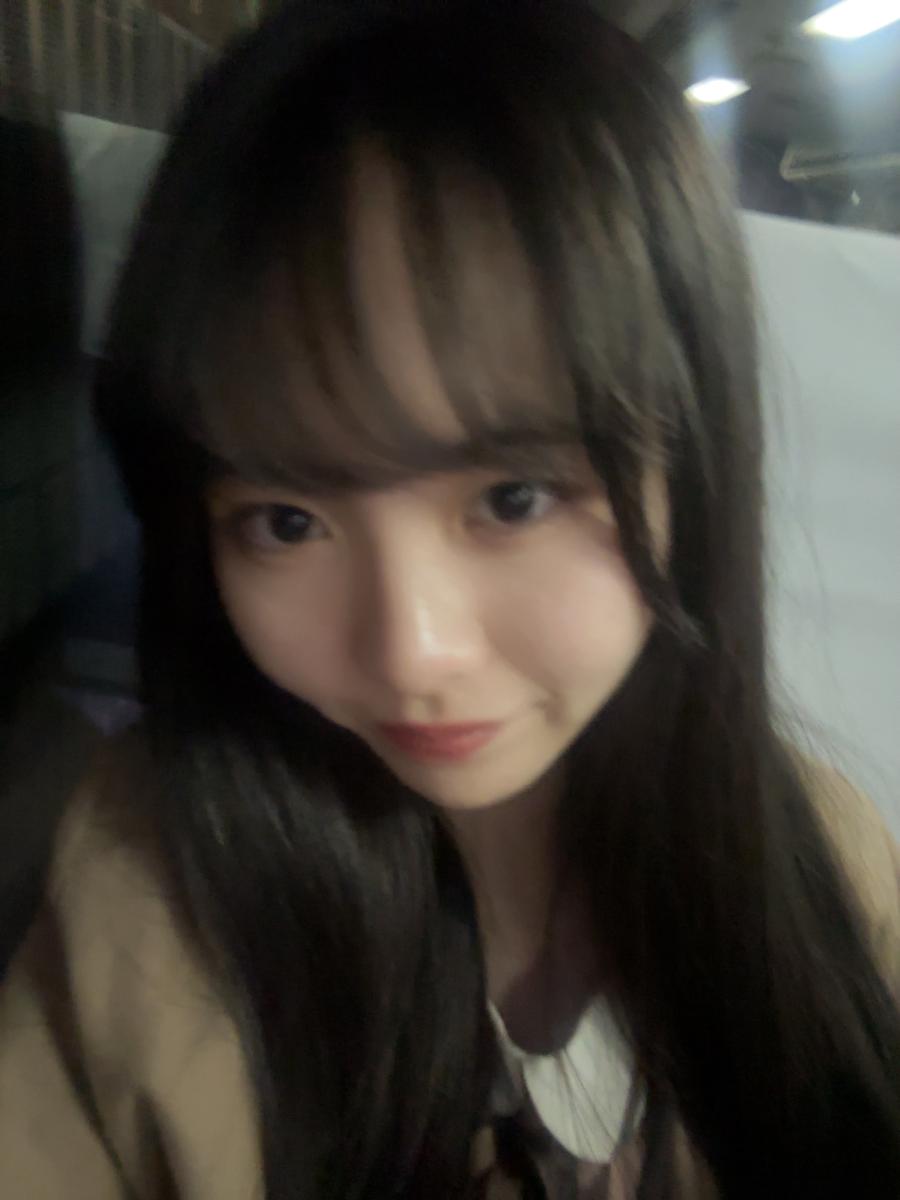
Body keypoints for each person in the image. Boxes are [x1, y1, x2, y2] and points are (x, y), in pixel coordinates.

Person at [1, 3, 898, 1197]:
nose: (411, 652)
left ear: (692, 466)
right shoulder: (142, 892)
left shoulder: (828, 869)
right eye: (286, 521)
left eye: (515, 498)